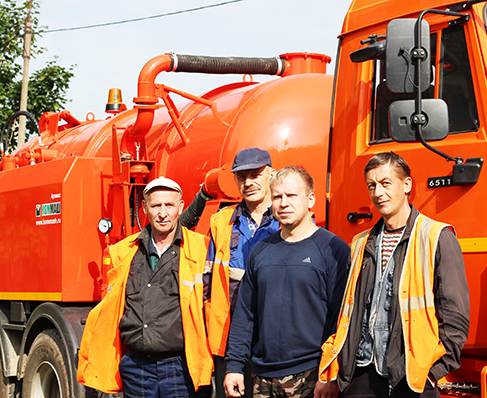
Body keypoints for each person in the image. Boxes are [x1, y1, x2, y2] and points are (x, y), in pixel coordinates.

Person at [318, 152, 470, 398]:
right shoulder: (359, 243)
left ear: (407, 185)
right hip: (361, 373)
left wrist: (434, 370)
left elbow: (456, 317)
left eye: (386, 183)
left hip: (411, 377)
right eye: (372, 185)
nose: (378, 193)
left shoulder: (437, 237)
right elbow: (346, 313)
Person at [77, 177, 213, 398]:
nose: (162, 213)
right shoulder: (123, 253)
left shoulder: (202, 248)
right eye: (156, 205)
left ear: (180, 207)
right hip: (136, 367)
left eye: (169, 205)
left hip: (181, 367)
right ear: (144, 208)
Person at [223, 166, 349, 398]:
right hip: (261, 376)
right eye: (277, 196)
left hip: (311, 375)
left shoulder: (333, 250)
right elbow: (245, 314)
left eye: (291, 195)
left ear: (310, 199)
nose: (283, 203)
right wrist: (234, 366)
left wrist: (330, 374)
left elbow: (341, 319)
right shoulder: (261, 250)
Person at [204, 148, 279, 398]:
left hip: (276, 338)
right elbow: (207, 280)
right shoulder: (221, 222)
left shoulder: (288, 219)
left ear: (271, 174)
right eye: (241, 177)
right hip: (231, 339)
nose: (248, 183)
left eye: (255, 175)